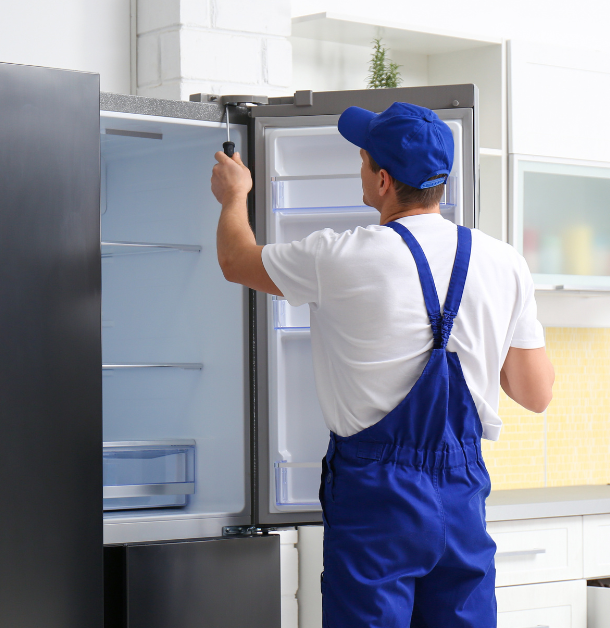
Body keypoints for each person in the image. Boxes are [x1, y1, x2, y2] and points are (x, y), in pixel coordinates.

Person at [210, 101, 555, 628]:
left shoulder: (339, 256)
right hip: (461, 493)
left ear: (384, 180)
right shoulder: (505, 262)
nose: (361, 167)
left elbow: (236, 260)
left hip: (377, 496)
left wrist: (235, 196)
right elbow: (534, 393)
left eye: (364, 158)